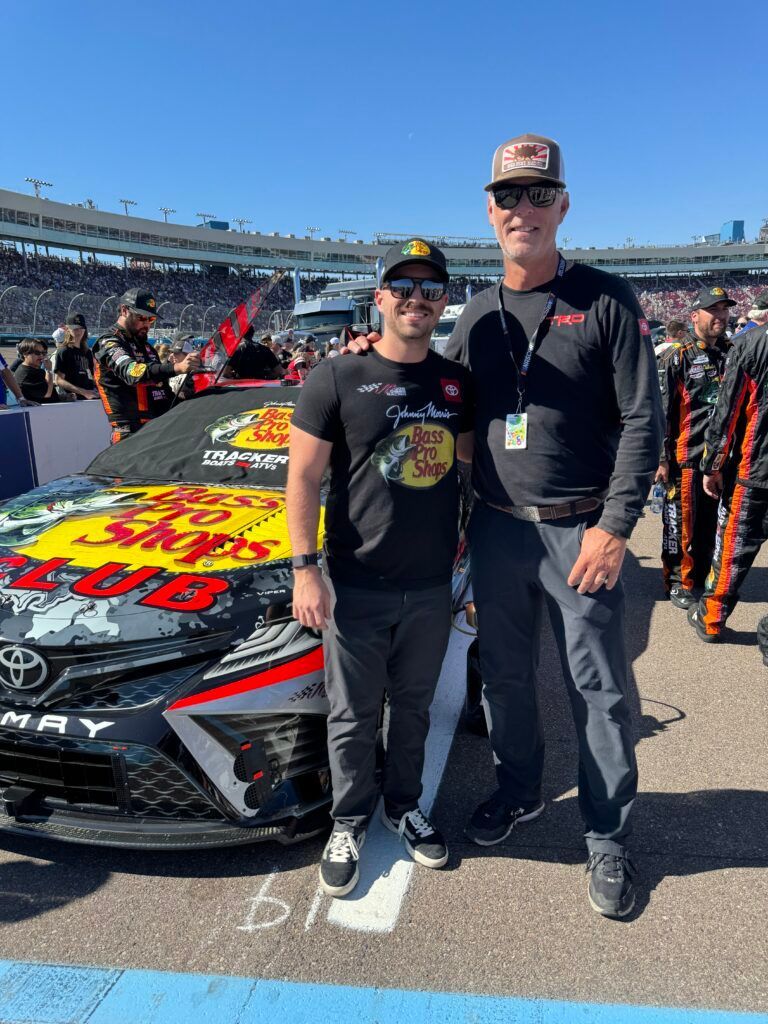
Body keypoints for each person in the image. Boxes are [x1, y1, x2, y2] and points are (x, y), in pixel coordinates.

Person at [442, 133, 663, 917]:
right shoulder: (474, 311)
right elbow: (447, 412)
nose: (523, 209)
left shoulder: (605, 298)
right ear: (490, 210)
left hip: (582, 531)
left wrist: (614, 526)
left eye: (540, 194)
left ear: (564, 206)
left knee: (599, 693)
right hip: (500, 528)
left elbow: (644, 421)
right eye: (509, 196)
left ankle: (606, 834)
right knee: (504, 680)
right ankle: (520, 790)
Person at [287, 239, 473, 898]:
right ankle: (348, 820)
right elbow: (303, 479)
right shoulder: (335, 376)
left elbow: (472, 470)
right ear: (381, 297)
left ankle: (405, 805)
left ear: (443, 300)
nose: (416, 297)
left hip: (428, 587)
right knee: (352, 715)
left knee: (416, 710)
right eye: (403, 285)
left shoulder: (456, 382)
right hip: (356, 583)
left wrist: (471, 558)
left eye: (430, 287)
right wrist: (305, 569)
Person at [688, 316, 768, 643]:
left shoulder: (751, 343)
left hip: (754, 472)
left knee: (733, 546)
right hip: (756, 467)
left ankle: (711, 617)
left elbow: (726, 412)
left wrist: (712, 466)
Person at [655, 287, 734, 608]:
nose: (721, 316)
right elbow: (661, 410)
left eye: (724, 309)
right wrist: (660, 458)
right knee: (680, 521)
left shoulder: (733, 349)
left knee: (711, 523)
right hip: (685, 457)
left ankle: (700, 575)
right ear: (694, 316)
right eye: (713, 310)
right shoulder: (678, 355)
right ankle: (677, 581)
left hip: (721, 459)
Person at [92, 288, 199, 444]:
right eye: (141, 318)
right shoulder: (109, 342)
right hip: (128, 435)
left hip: (155, 432)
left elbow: (161, 392)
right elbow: (132, 373)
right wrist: (176, 368)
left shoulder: (147, 348)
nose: (147, 324)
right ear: (124, 310)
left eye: (151, 320)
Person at [54, 313, 98, 401]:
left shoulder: (87, 352)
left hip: (89, 398)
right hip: (72, 401)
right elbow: (59, 380)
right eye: (75, 328)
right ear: (67, 329)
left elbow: (90, 376)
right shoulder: (64, 351)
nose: (79, 331)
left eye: (81, 328)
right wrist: (83, 392)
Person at [13, 339, 58, 404]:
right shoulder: (25, 374)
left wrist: (62, 397)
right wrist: (49, 371)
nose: (41, 356)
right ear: (25, 354)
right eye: (37, 353)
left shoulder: (36, 369)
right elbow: (47, 394)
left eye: (43, 353)